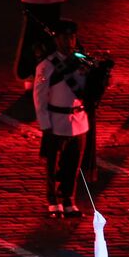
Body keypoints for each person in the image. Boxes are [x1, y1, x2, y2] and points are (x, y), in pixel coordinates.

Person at [34, 20, 90, 217]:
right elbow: (40, 96)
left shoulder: (83, 61)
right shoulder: (47, 65)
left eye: (72, 36)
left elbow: (90, 90)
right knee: (53, 165)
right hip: (56, 121)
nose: (69, 41)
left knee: (73, 166)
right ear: (57, 39)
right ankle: (53, 201)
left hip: (79, 121)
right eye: (65, 37)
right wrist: (45, 123)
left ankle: (68, 200)